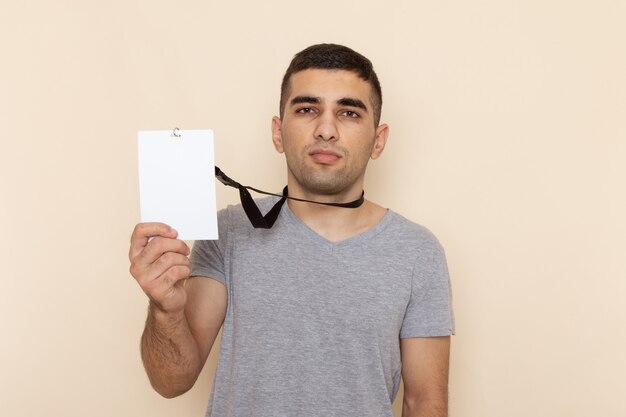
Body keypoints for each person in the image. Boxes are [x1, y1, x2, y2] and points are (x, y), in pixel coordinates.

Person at [129, 43, 455, 417]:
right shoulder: (230, 232)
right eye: (306, 109)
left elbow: (425, 403)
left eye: (348, 112)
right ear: (278, 133)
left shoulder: (417, 252)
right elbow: (171, 381)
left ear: (378, 140)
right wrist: (165, 310)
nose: (326, 129)